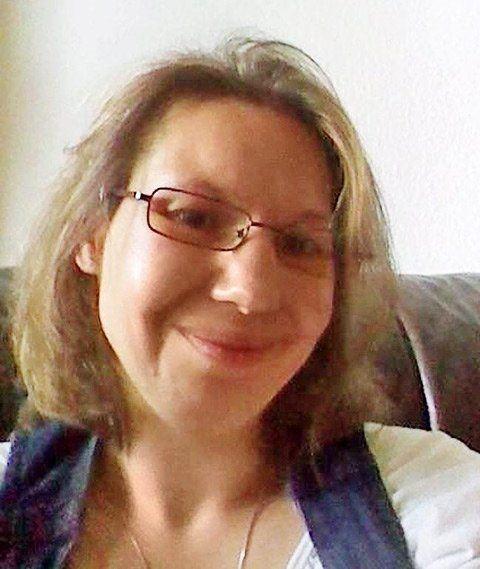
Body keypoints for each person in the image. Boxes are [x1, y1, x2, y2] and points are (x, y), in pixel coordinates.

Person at [0, 38, 479, 568]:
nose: (250, 292)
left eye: (300, 244)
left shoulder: (438, 505)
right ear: (92, 235)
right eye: (193, 218)